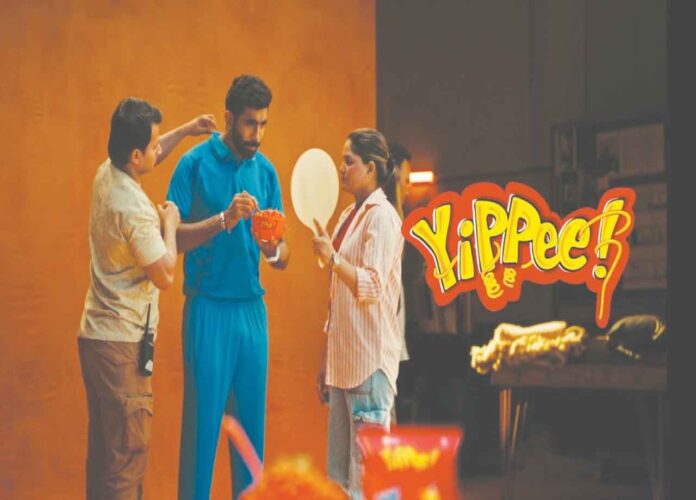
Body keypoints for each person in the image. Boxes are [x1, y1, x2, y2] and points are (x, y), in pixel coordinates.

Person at [78, 97, 216, 499]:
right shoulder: (134, 209)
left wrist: (186, 130)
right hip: (123, 347)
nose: (159, 148)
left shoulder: (106, 172)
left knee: (107, 461)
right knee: (127, 464)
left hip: (97, 340)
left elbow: (149, 154)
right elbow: (166, 274)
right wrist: (170, 223)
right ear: (135, 154)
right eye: (154, 144)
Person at [166, 75, 290, 500]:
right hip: (208, 309)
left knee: (251, 442)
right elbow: (172, 240)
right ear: (229, 118)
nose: (258, 134)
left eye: (264, 124)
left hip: (252, 313)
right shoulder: (194, 163)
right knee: (201, 438)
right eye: (250, 123)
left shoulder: (266, 171)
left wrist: (272, 249)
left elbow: (284, 255)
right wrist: (224, 219)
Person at [312, 128, 404, 498]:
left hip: (369, 366)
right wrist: (326, 359)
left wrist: (333, 259)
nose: (341, 167)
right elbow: (337, 298)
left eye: (348, 161)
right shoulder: (349, 215)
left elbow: (372, 285)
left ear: (370, 168)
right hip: (343, 365)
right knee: (338, 478)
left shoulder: (382, 217)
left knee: (367, 482)